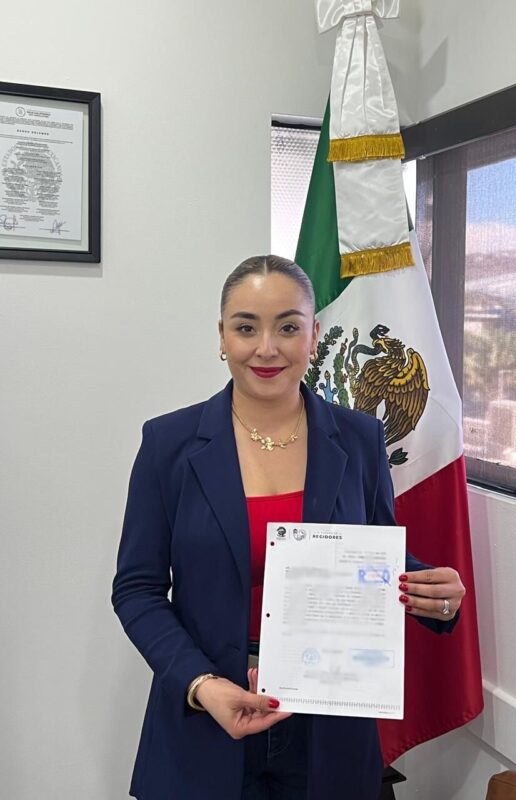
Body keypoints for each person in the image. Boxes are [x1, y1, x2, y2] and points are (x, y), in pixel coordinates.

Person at [111, 255, 466, 800]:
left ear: (314, 335)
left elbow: (371, 557)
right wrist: (201, 684)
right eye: (246, 327)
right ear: (222, 337)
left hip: (330, 720)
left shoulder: (360, 438)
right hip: (206, 717)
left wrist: (433, 593)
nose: (267, 348)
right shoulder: (168, 444)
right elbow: (137, 589)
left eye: (288, 327)